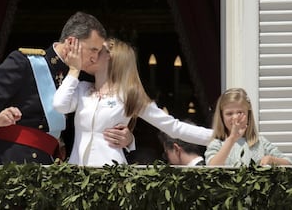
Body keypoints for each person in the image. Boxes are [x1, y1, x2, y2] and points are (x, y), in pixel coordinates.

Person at [0, 11, 134, 165]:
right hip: (8, 163)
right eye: (93, 50)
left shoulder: (82, 77)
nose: (95, 57)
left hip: (49, 166)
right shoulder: (25, 63)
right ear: (70, 42)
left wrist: (128, 139)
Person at [53, 37, 213, 166]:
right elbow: (60, 105)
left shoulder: (129, 95)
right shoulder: (81, 88)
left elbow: (173, 127)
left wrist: (223, 137)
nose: (91, 55)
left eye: (97, 50)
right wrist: (74, 70)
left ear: (110, 58)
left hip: (111, 175)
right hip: (78, 174)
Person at [205, 88, 291, 166]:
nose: (235, 117)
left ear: (248, 114)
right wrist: (232, 139)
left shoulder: (259, 142)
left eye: (240, 112)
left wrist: (272, 159)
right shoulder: (217, 143)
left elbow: (288, 162)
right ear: (221, 116)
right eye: (229, 113)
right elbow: (212, 167)